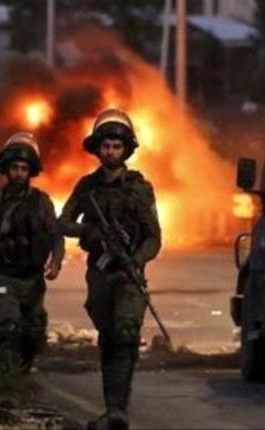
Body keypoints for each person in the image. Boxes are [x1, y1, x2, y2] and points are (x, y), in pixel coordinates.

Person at [58, 108, 161, 430]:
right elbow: (63, 222)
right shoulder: (87, 187)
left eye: (117, 146)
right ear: (97, 148)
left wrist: (136, 259)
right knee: (109, 339)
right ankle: (111, 409)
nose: (111, 151)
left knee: (126, 335)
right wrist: (91, 233)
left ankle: (118, 410)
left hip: (128, 274)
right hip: (100, 274)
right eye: (106, 146)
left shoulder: (139, 188)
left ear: (126, 149)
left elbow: (154, 238)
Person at [0, 131, 64, 373]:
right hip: (4, 275)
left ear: (31, 171)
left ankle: (21, 372)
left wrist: (56, 262)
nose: (18, 173)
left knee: (32, 329)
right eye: (14, 168)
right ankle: (4, 373)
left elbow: (55, 235)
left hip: (33, 277)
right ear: (7, 170)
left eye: (23, 168)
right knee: (9, 325)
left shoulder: (41, 202)